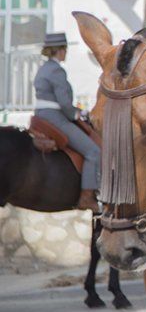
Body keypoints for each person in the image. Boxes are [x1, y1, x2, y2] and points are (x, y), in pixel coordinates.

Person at [34, 32, 100, 212]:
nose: (66, 53)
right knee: (94, 151)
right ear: (60, 50)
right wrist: (76, 115)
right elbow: (64, 103)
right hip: (55, 117)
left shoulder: (43, 68)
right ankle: (86, 197)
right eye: (65, 50)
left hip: (41, 114)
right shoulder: (57, 70)